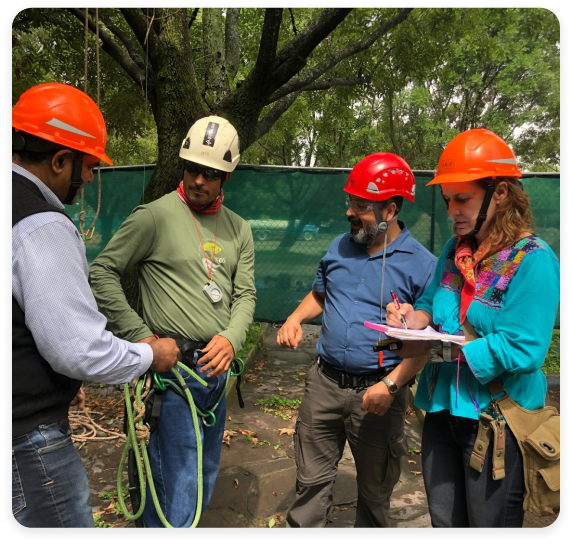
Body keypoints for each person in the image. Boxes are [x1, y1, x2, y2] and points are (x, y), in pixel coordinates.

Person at [11, 82, 181, 529]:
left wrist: (57, 374)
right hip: (32, 438)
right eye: (87, 166)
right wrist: (150, 354)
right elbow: (78, 348)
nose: (88, 179)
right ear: (60, 160)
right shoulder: (41, 224)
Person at [385, 128, 560, 528]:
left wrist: (446, 348)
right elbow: (430, 304)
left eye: (463, 199)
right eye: (448, 200)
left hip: (497, 419)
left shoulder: (533, 260)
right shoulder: (454, 250)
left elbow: (525, 349)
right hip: (442, 411)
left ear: (500, 193)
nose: (452, 212)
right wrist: (411, 321)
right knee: (445, 523)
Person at [89, 115, 256, 528]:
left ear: (226, 176)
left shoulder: (240, 229)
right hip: (173, 373)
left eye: (211, 173)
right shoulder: (154, 216)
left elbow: (245, 293)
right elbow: (102, 272)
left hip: (215, 374)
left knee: (202, 476)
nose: (199, 180)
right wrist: (143, 338)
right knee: (176, 489)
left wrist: (234, 338)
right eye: (192, 168)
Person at [277, 153, 437, 528]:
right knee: (310, 486)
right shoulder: (339, 246)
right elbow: (320, 293)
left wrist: (392, 384)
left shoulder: (422, 264)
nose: (350, 212)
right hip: (324, 384)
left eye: (361, 206)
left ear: (391, 210)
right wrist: (295, 317)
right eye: (350, 202)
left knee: (375, 492)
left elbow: (425, 345)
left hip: (379, 394)